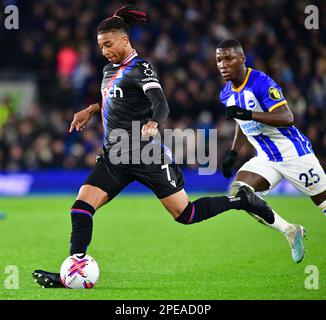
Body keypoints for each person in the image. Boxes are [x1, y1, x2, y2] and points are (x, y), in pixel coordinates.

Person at [32, 7, 275, 288]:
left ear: (125, 40)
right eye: (100, 46)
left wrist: (153, 123)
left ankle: (241, 200)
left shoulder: (140, 67)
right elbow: (118, 103)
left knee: (186, 214)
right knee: (81, 208)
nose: (104, 51)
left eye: (108, 44)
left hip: (146, 154)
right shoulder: (108, 70)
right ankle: (73, 272)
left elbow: (161, 103)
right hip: (116, 156)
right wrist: (91, 108)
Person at [216, 38, 326, 263]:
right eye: (219, 60)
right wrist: (233, 153)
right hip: (266, 158)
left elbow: (287, 117)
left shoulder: (260, 81)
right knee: (241, 194)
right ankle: (290, 231)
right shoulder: (226, 93)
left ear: (242, 59)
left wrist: (247, 114)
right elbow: (240, 122)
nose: (223, 64)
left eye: (228, 58)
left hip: (294, 154)